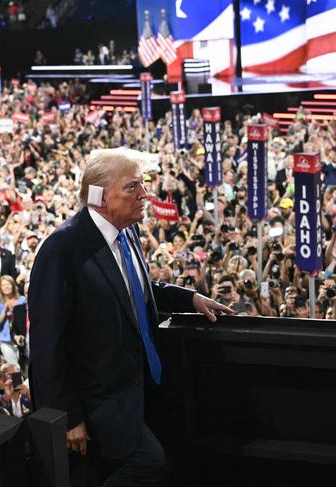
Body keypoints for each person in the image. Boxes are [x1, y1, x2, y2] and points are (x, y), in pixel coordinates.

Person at [28, 148, 233, 487]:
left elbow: (133, 288)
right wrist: (67, 417)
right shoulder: (61, 250)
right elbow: (47, 344)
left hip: (138, 390)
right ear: (101, 196)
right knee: (150, 463)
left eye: (143, 184)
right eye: (133, 187)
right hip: (99, 403)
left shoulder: (126, 231)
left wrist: (189, 297)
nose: (144, 195)